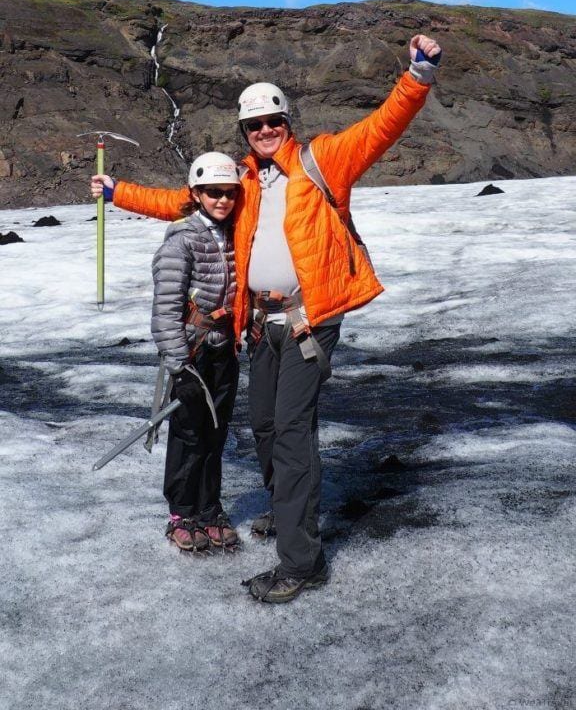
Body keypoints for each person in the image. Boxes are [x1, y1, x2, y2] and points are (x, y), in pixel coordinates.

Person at [91, 33, 441, 602]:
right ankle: (286, 513)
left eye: (272, 120)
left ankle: (301, 562)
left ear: (287, 119)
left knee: (292, 435)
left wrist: (418, 76)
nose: (264, 131)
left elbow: (382, 126)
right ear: (245, 134)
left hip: (308, 322)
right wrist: (117, 193)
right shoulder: (247, 180)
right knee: (266, 428)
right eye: (254, 126)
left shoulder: (322, 158)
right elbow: (181, 201)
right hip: (260, 324)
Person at [150, 151, 241, 554]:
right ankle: (181, 513)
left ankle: (208, 508)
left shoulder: (235, 233)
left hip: (224, 351)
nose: (222, 199)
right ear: (196, 193)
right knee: (188, 433)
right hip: (192, 352)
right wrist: (179, 366)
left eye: (229, 192)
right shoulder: (181, 241)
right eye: (213, 192)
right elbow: (166, 309)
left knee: (215, 433)